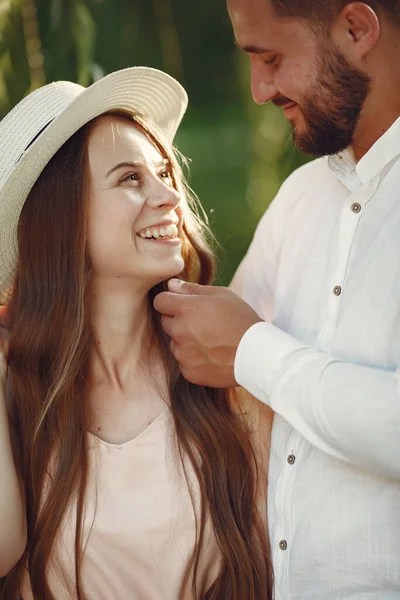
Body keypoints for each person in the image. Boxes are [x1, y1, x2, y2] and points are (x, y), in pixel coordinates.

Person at [153, 1, 400, 598]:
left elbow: (239, 350)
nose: (260, 91)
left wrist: (253, 352)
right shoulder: (301, 196)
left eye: (271, 58)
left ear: (356, 28)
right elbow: (201, 370)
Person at [0, 67, 273, 600]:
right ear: (61, 218)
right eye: (130, 178)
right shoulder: (18, 395)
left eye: (164, 173)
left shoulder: (225, 372)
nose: (169, 197)